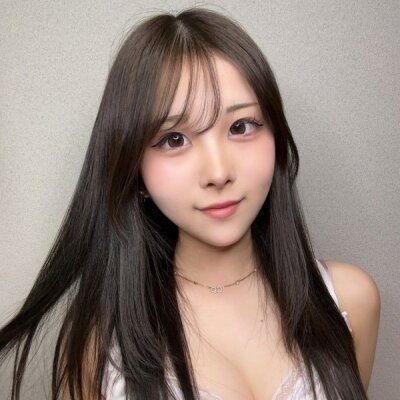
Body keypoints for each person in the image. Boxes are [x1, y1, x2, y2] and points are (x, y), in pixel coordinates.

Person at [0, 6, 380, 400]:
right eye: (174, 139)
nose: (218, 172)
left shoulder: (350, 301)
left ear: (277, 138)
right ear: (135, 169)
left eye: (241, 126)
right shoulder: (99, 350)